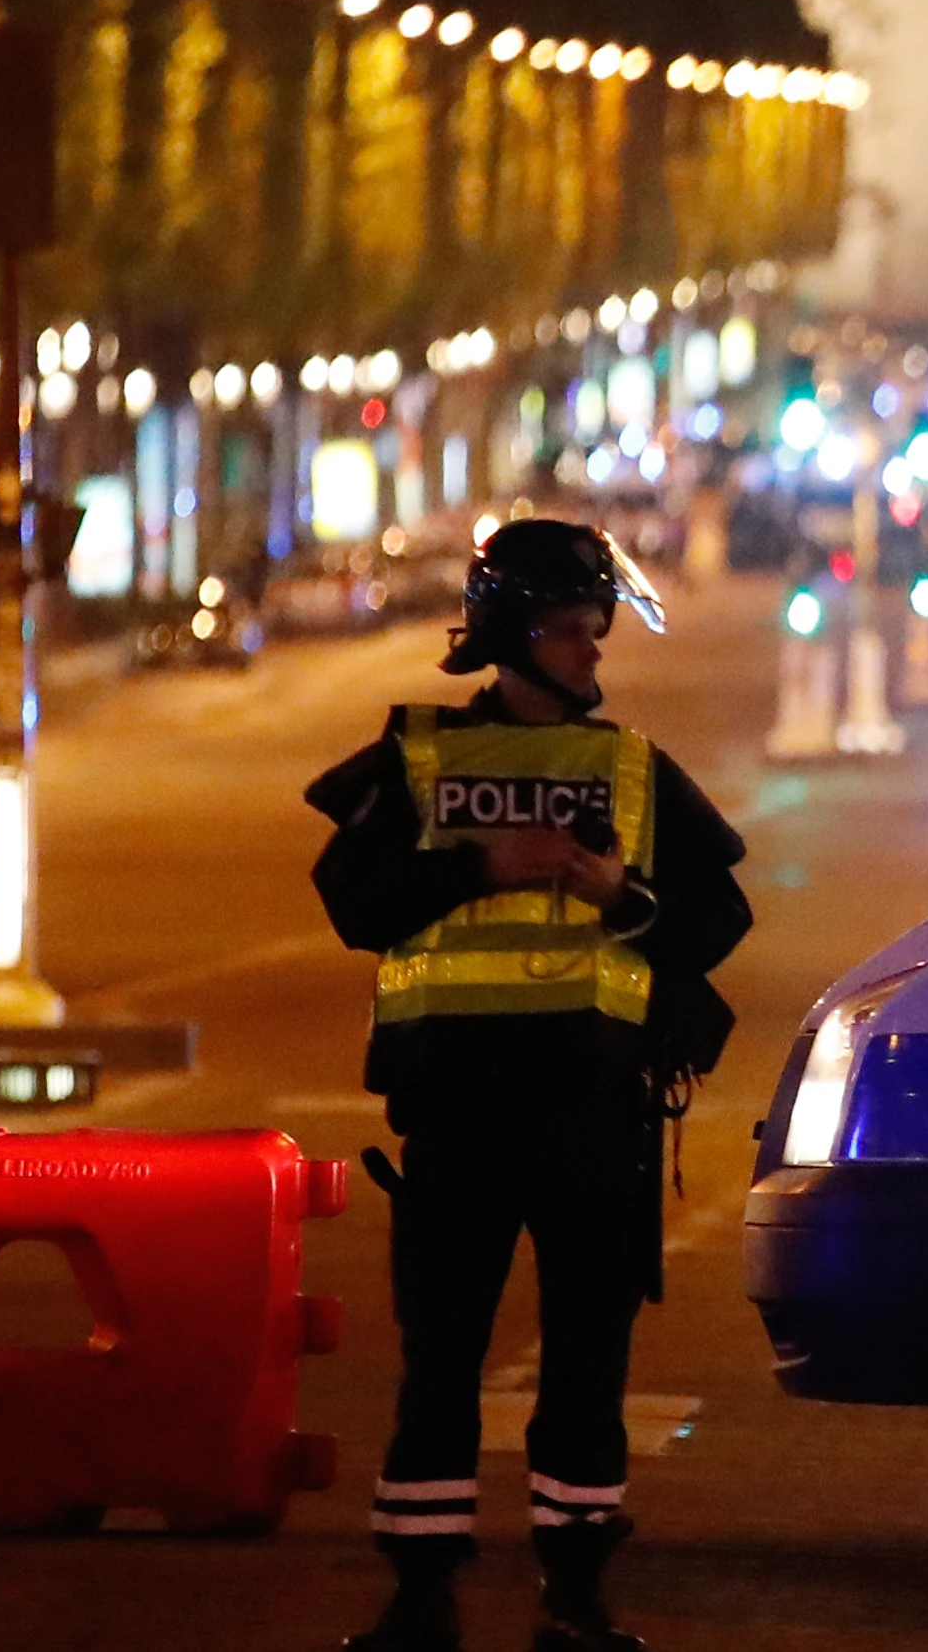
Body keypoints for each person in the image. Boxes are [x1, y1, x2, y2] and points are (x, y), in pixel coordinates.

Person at [308, 518, 748, 1652]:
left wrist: (619, 898)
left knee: (587, 1360)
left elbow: (718, 919)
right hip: (457, 1107)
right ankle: (418, 1597)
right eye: (570, 629)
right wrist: (478, 865)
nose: (593, 652)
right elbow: (353, 900)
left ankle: (577, 1594)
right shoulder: (420, 757)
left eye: (596, 629)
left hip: (591, 1107)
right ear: (511, 635)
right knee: (441, 1355)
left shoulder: (633, 768)